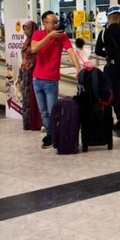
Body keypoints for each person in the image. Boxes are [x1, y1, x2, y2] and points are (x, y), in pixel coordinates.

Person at [31, 10, 82, 148]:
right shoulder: (38, 34)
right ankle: (50, 135)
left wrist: (79, 69)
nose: (55, 25)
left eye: (56, 22)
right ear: (44, 23)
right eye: (52, 22)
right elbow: (34, 48)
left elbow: (71, 52)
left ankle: (54, 134)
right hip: (37, 79)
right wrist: (49, 37)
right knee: (43, 112)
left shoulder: (62, 37)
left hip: (51, 81)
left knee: (52, 110)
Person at [95, 5, 120, 131]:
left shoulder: (104, 33)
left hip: (111, 66)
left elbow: (97, 51)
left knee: (114, 91)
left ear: (108, 17)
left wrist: (108, 55)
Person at [17, 20, 42, 131]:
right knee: (26, 99)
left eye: (27, 28)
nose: (25, 31)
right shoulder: (26, 42)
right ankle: (27, 123)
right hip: (26, 73)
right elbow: (24, 60)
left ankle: (36, 123)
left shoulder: (36, 42)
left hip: (34, 73)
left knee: (34, 99)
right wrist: (20, 76)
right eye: (24, 29)